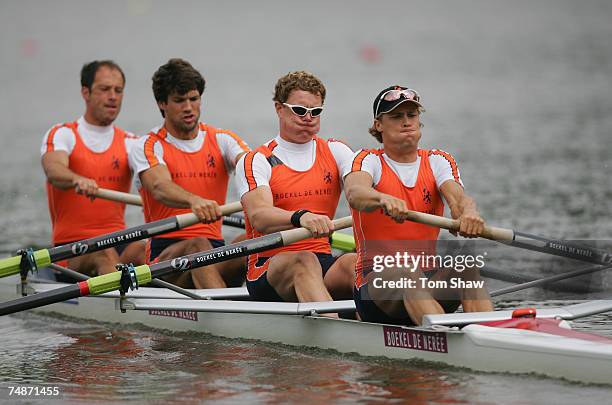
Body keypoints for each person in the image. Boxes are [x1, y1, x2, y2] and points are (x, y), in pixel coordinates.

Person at [343, 85, 493, 325]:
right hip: (376, 288)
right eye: (396, 116)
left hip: (427, 278)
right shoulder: (367, 160)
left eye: (411, 115)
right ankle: (447, 340)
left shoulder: (438, 161)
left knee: (466, 266)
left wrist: (469, 214)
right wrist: (382, 198)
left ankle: (491, 336)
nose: (406, 122)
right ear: (379, 125)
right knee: (406, 271)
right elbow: (355, 192)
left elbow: (458, 200)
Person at [235, 71, 355, 312]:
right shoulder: (257, 160)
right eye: (300, 110)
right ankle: (335, 333)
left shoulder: (337, 151)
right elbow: (259, 216)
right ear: (279, 109)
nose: (309, 118)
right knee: (304, 260)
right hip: (268, 269)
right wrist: (300, 217)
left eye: (316, 111)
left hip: (322, 262)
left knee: (358, 264)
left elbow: (359, 191)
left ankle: (406, 324)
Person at [129, 58, 249, 289]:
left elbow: (252, 166)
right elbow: (159, 186)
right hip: (164, 261)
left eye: (194, 99)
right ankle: (226, 316)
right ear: (162, 103)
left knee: (254, 241)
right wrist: (193, 200)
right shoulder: (149, 145)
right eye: (179, 100)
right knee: (197, 245)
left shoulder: (222, 139)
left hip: (213, 253)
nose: (188, 107)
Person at [41, 60, 144, 278]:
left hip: (118, 244)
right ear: (85, 92)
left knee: (144, 248)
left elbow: (156, 179)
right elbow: (54, 170)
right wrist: (76, 179)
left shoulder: (131, 143)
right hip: (70, 251)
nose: (113, 96)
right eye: (105, 89)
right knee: (103, 253)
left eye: (118, 90)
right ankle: (122, 305)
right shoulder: (62, 134)